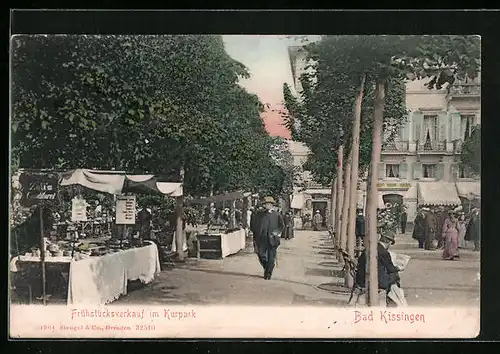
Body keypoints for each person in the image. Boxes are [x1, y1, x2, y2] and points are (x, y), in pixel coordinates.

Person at [255, 196, 284, 280]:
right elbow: (256, 225)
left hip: (273, 239)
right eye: (265, 204)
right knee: (261, 255)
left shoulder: (276, 215)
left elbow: (281, 226)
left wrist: (276, 233)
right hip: (262, 239)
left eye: (268, 204)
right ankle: (267, 267)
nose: (267, 205)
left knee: (271, 258)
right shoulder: (260, 214)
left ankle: (268, 273)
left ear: (272, 205)